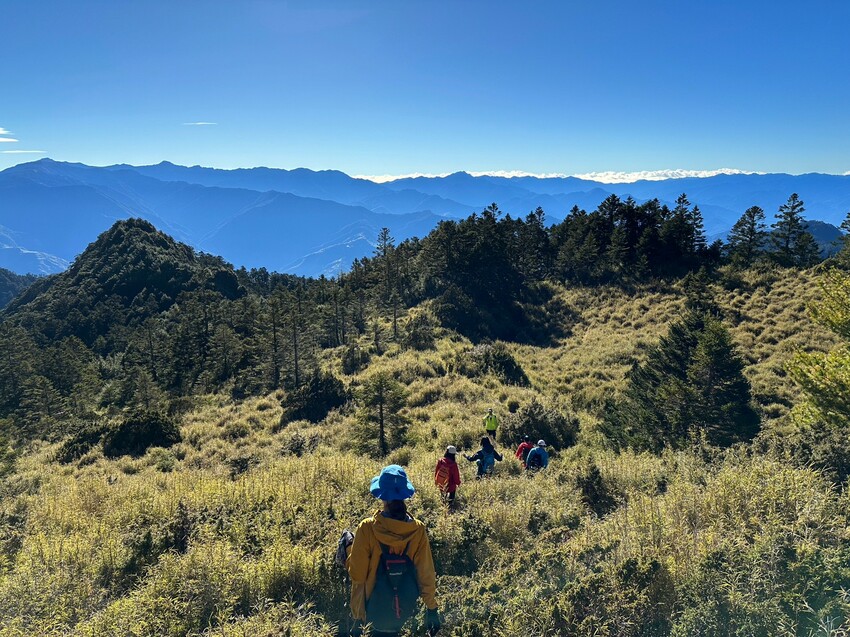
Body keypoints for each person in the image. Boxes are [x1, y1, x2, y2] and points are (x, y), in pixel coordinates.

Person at [347, 465, 441, 637]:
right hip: (404, 608)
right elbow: (425, 572)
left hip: (372, 609)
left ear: (382, 495)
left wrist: (348, 550)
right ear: (404, 494)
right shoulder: (417, 530)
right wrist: (432, 608)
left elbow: (358, 575)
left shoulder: (367, 528)